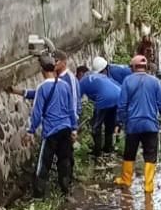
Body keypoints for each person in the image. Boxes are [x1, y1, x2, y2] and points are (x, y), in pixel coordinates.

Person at [115, 54, 161, 194]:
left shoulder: (127, 81)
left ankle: (126, 180)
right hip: (151, 125)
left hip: (133, 125)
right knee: (150, 155)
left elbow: (122, 105)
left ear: (133, 67)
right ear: (145, 67)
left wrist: (119, 123)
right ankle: (148, 186)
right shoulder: (155, 82)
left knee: (129, 153)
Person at [26, 55, 78, 197]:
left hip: (51, 131)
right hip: (66, 128)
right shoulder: (65, 85)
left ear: (42, 70)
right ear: (54, 68)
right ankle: (65, 190)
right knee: (64, 160)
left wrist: (30, 131)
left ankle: (38, 194)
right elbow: (71, 109)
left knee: (43, 164)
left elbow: (36, 112)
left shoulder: (42, 88)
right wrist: (74, 128)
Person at [76, 64, 122, 156]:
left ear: (81, 74)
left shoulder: (83, 81)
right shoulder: (100, 75)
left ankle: (97, 151)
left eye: (77, 76)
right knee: (109, 125)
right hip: (119, 95)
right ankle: (108, 149)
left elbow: (77, 99)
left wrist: (77, 115)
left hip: (104, 99)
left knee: (96, 126)